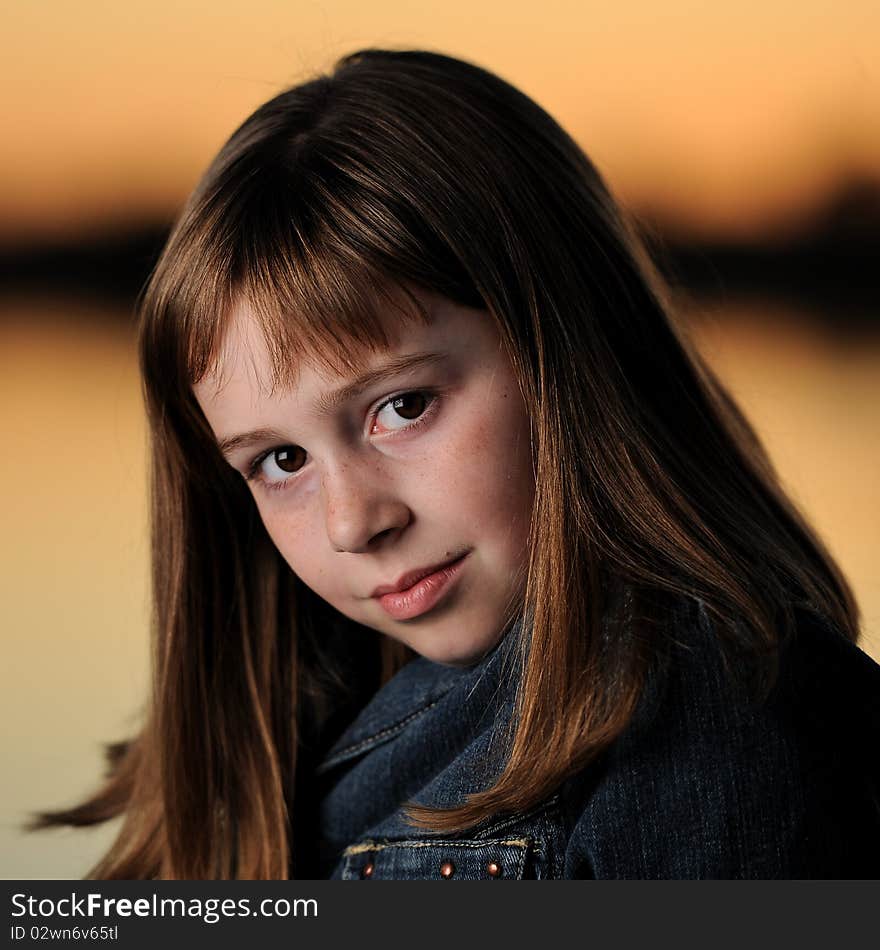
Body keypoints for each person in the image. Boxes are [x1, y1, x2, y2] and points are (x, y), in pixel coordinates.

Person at [37, 48, 880, 879]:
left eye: (402, 407)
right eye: (282, 459)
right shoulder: (303, 725)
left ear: (566, 353)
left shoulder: (714, 738)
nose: (353, 521)